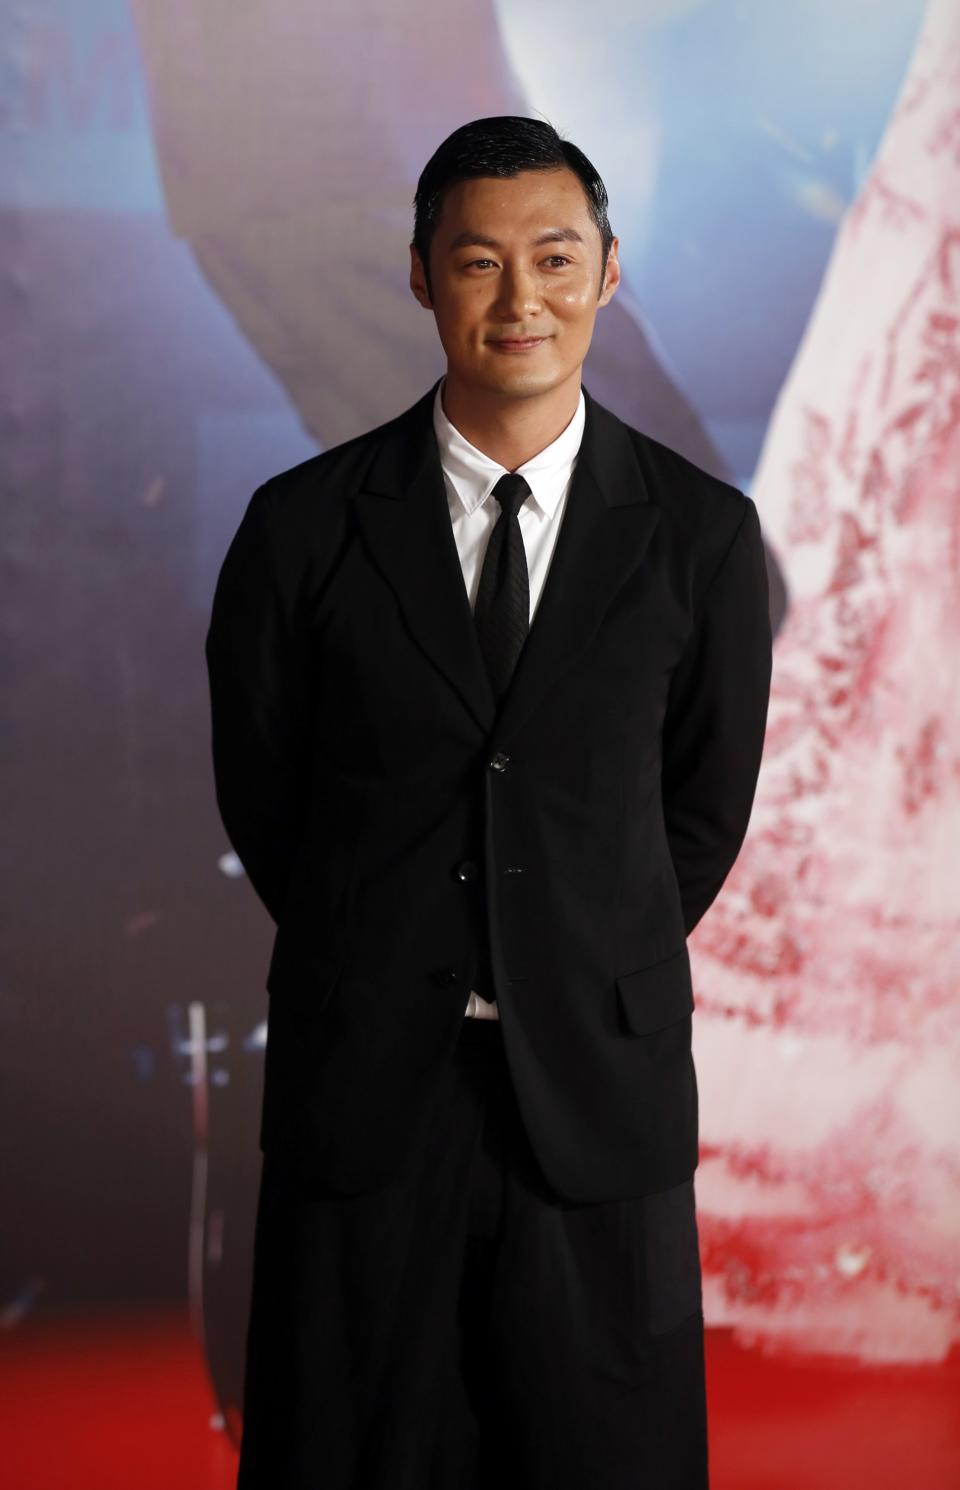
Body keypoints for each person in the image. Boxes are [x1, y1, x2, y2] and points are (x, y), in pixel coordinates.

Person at [205, 114, 772, 1490]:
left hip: (596, 1088)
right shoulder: (302, 529)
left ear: (610, 271)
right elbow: (268, 802)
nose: (522, 299)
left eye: (556, 258)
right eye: (478, 263)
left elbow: (699, 813)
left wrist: (561, 942)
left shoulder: (699, 535)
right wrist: (407, 943)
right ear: (419, 277)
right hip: (371, 1093)